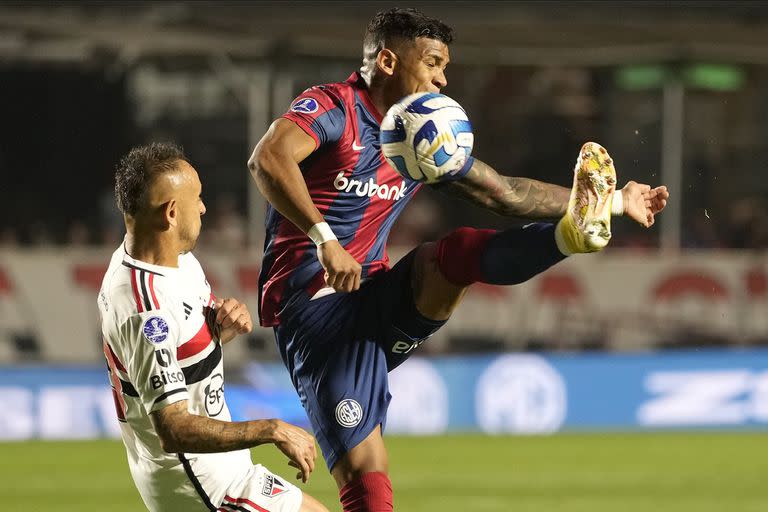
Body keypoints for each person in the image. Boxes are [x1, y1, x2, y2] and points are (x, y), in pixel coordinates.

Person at [248, 8, 669, 512]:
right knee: (365, 473)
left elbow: (507, 193)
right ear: (386, 60)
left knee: (452, 255)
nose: (443, 78)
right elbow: (267, 159)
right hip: (312, 311)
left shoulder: (416, 135)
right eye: (432, 63)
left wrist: (615, 202)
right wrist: (324, 239)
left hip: (373, 295)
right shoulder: (331, 106)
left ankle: (568, 237)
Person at [98, 142, 328, 512]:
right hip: (199, 485)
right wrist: (271, 428)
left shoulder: (177, 262)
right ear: (172, 212)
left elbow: (181, 351)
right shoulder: (145, 311)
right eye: (198, 198)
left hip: (226, 470)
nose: (204, 207)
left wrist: (220, 330)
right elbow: (173, 429)